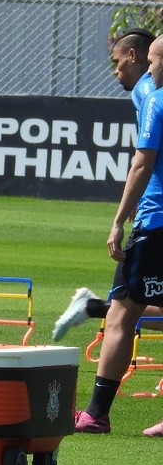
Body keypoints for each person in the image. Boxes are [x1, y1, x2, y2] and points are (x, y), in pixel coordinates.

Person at [75, 34, 163, 436]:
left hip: (156, 222)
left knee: (121, 313)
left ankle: (95, 414)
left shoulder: (153, 97)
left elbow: (142, 165)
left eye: (151, 61)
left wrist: (118, 219)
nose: (146, 68)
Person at [52, 28, 163, 342]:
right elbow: (146, 158)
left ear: (134, 56)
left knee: (133, 305)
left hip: (154, 212)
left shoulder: (145, 90)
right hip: (157, 216)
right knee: (132, 306)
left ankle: (94, 307)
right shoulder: (147, 91)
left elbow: (148, 157)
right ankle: (96, 307)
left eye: (118, 62)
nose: (116, 71)